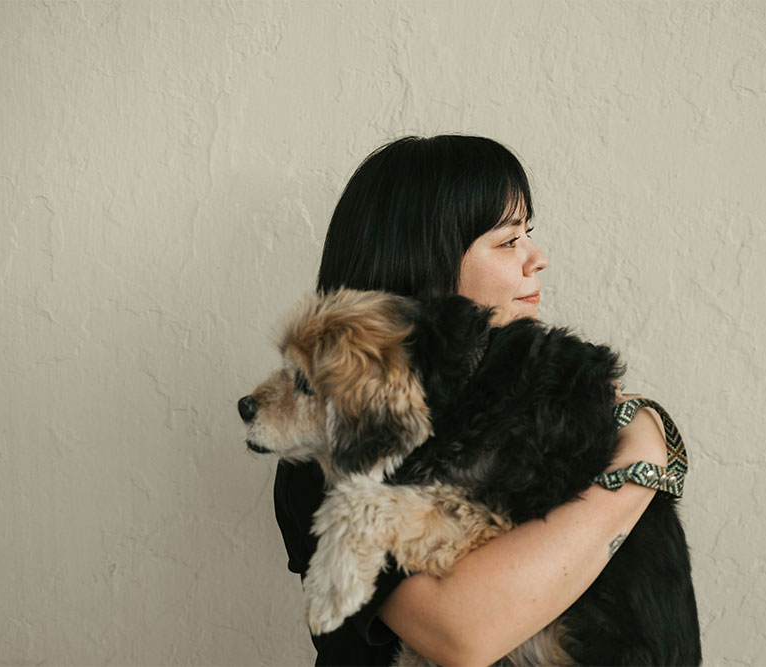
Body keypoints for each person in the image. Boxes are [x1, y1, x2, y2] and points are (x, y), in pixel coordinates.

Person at [273, 135, 670, 666]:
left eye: (529, 234)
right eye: (508, 241)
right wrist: (641, 460)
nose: (538, 258)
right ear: (427, 264)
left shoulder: (542, 406)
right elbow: (463, 635)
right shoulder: (331, 443)